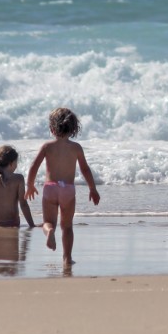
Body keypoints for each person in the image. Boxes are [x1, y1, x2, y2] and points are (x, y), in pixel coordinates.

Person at [25, 107, 101, 269]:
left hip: (50, 188)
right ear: (73, 129)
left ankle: (49, 232)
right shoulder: (76, 148)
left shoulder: (47, 147)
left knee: (47, 222)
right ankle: (67, 258)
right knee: (67, 226)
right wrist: (92, 189)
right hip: (68, 189)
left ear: (52, 129)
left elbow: (34, 166)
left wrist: (30, 185)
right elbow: (85, 169)